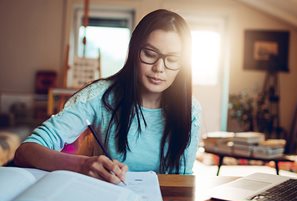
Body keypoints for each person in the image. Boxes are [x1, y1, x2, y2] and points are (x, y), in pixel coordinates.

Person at [14, 9, 201, 184]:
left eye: (172, 59)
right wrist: (81, 165)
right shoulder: (99, 96)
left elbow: (183, 179)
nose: (159, 68)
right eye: (150, 54)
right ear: (135, 51)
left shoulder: (189, 110)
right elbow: (26, 151)